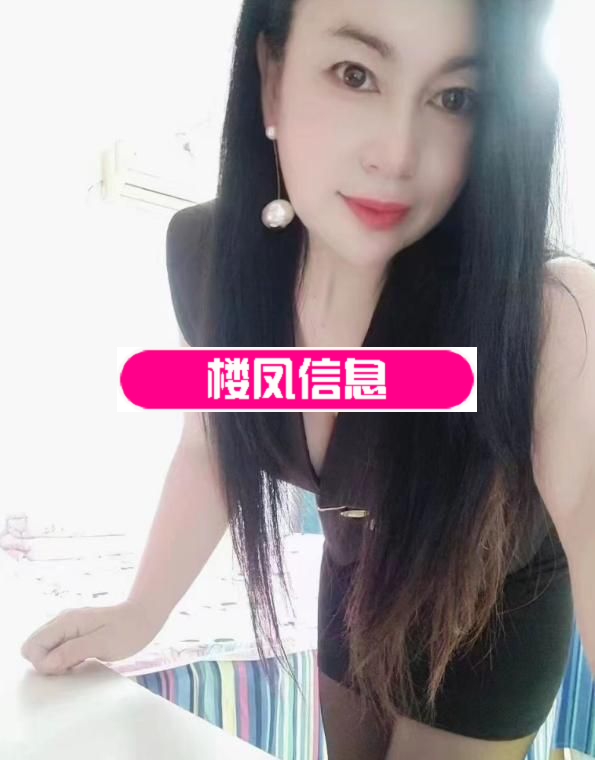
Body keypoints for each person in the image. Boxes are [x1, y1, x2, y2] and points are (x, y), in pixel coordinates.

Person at [20, 1, 595, 759]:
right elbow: (209, 448)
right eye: (355, 74)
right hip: (355, 575)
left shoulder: (550, 313)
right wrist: (140, 612)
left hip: (491, 602)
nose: (396, 154)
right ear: (272, 78)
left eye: (455, 97)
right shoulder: (214, 263)